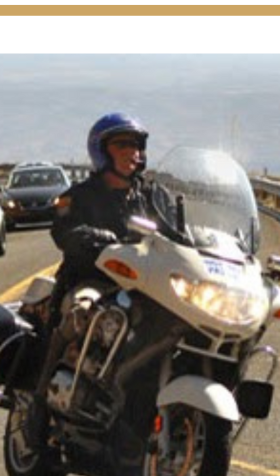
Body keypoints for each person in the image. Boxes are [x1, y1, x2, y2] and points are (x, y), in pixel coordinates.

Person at [24, 112, 177, 447]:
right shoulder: (79, 195)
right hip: (93, 280)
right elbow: (63, 230)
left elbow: (179, 235)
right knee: (82, 311)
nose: (132, 152)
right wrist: (94, 237)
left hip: (147, 285)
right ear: (102, 151)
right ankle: (39, 404)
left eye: (136, 145)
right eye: (122, 145)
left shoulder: (154, 196)